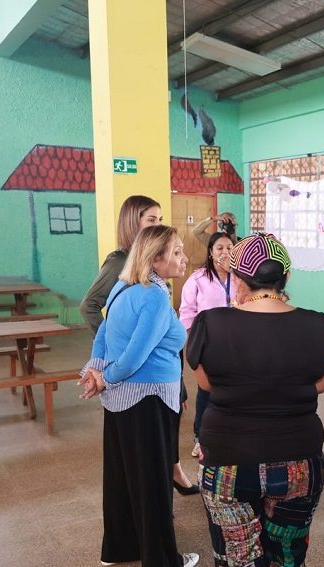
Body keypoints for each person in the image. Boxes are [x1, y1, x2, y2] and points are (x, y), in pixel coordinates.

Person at [186, 233, 324, 567]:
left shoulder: (211, 323)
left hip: (227, 461)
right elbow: (321, 384)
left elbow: (207, 383)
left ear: (238, 278)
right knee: (287, 554)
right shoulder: (317, 324)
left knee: (238, 557)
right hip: (299, 460)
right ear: (287, 277)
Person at [78, 225, 199, 567]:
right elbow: (134, 357)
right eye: (176, 252)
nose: (183, 258)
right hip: (149, 400)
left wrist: (95, 370)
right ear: (155, 259)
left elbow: (103, 333)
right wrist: (104, 378)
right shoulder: (154, 297)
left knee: (121, 479)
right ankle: (162, 560)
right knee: (154, 485)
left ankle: (120, 549)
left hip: (120, 402)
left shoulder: (122, 287)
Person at [179, 232, 238, 457]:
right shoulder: (198, 278)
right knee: (206, 390)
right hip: (208, 343)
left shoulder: (240, 277)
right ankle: (199, 437)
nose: (225, 252)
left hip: (235, 343)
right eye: (220, 248)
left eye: (229, 247)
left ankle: (228, 433)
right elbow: (186, 312)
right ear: (211, 253)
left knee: (232, 388)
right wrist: (196, 338)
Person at [80, 195, 162, 335]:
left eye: (160, 220)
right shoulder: (119, 261)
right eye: (151, 220)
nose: (159, 226)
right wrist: (109, 340)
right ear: (133, 223)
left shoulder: (149, 259)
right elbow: (89, 306)